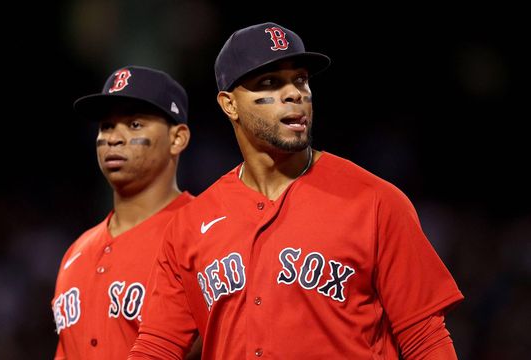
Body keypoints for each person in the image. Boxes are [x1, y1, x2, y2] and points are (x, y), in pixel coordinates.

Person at [129, 23, 464, 359]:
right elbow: (157, 346)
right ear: (229, 105)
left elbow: (425, 338)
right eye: (271, 83)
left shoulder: (376, 202)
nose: (294, 94)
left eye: (300, 80)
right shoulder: (191, 225)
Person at [51, 65, 201, 360]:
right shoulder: (75, 253)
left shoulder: (204, 231)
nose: (113, 138)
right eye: (106, 125)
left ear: (177, 138)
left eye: (134, 124)